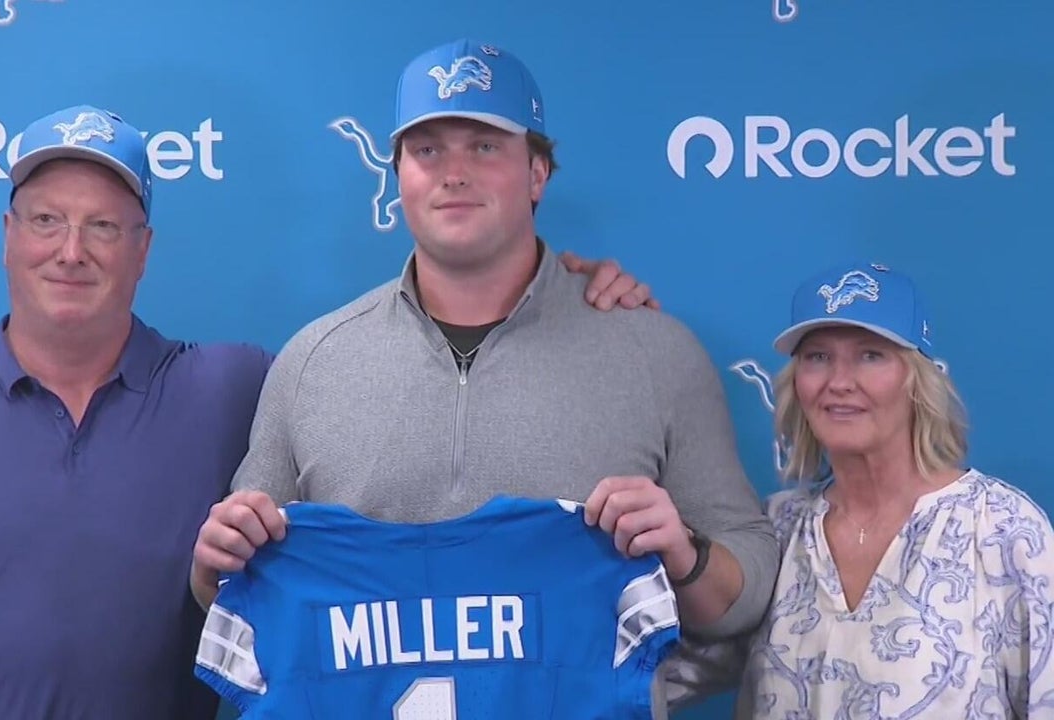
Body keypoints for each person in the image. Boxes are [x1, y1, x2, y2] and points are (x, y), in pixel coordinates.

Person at [0, 104, 654, 719]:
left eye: (104, 227)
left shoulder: (235, 387)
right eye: (46, 220)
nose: (71, 251)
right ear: (8, 236)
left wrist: (560, 291)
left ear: (144, 249)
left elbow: (409, 366)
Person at [191, 37, 777, 687]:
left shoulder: (655, 351)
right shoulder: (312, 361)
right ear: (398, 176)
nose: (454, 172)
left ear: (537, 174)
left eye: (485, 146)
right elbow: (234, 591)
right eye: (427, 150)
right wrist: (212, 563)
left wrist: (685, 554)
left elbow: (747, 590)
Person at [671, 262, 1054, 718]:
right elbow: (662, 673)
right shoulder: (777, 529)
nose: (838, 382)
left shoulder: (1003, 531)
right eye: (818, 357)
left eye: (870, 355)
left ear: (917, 377)